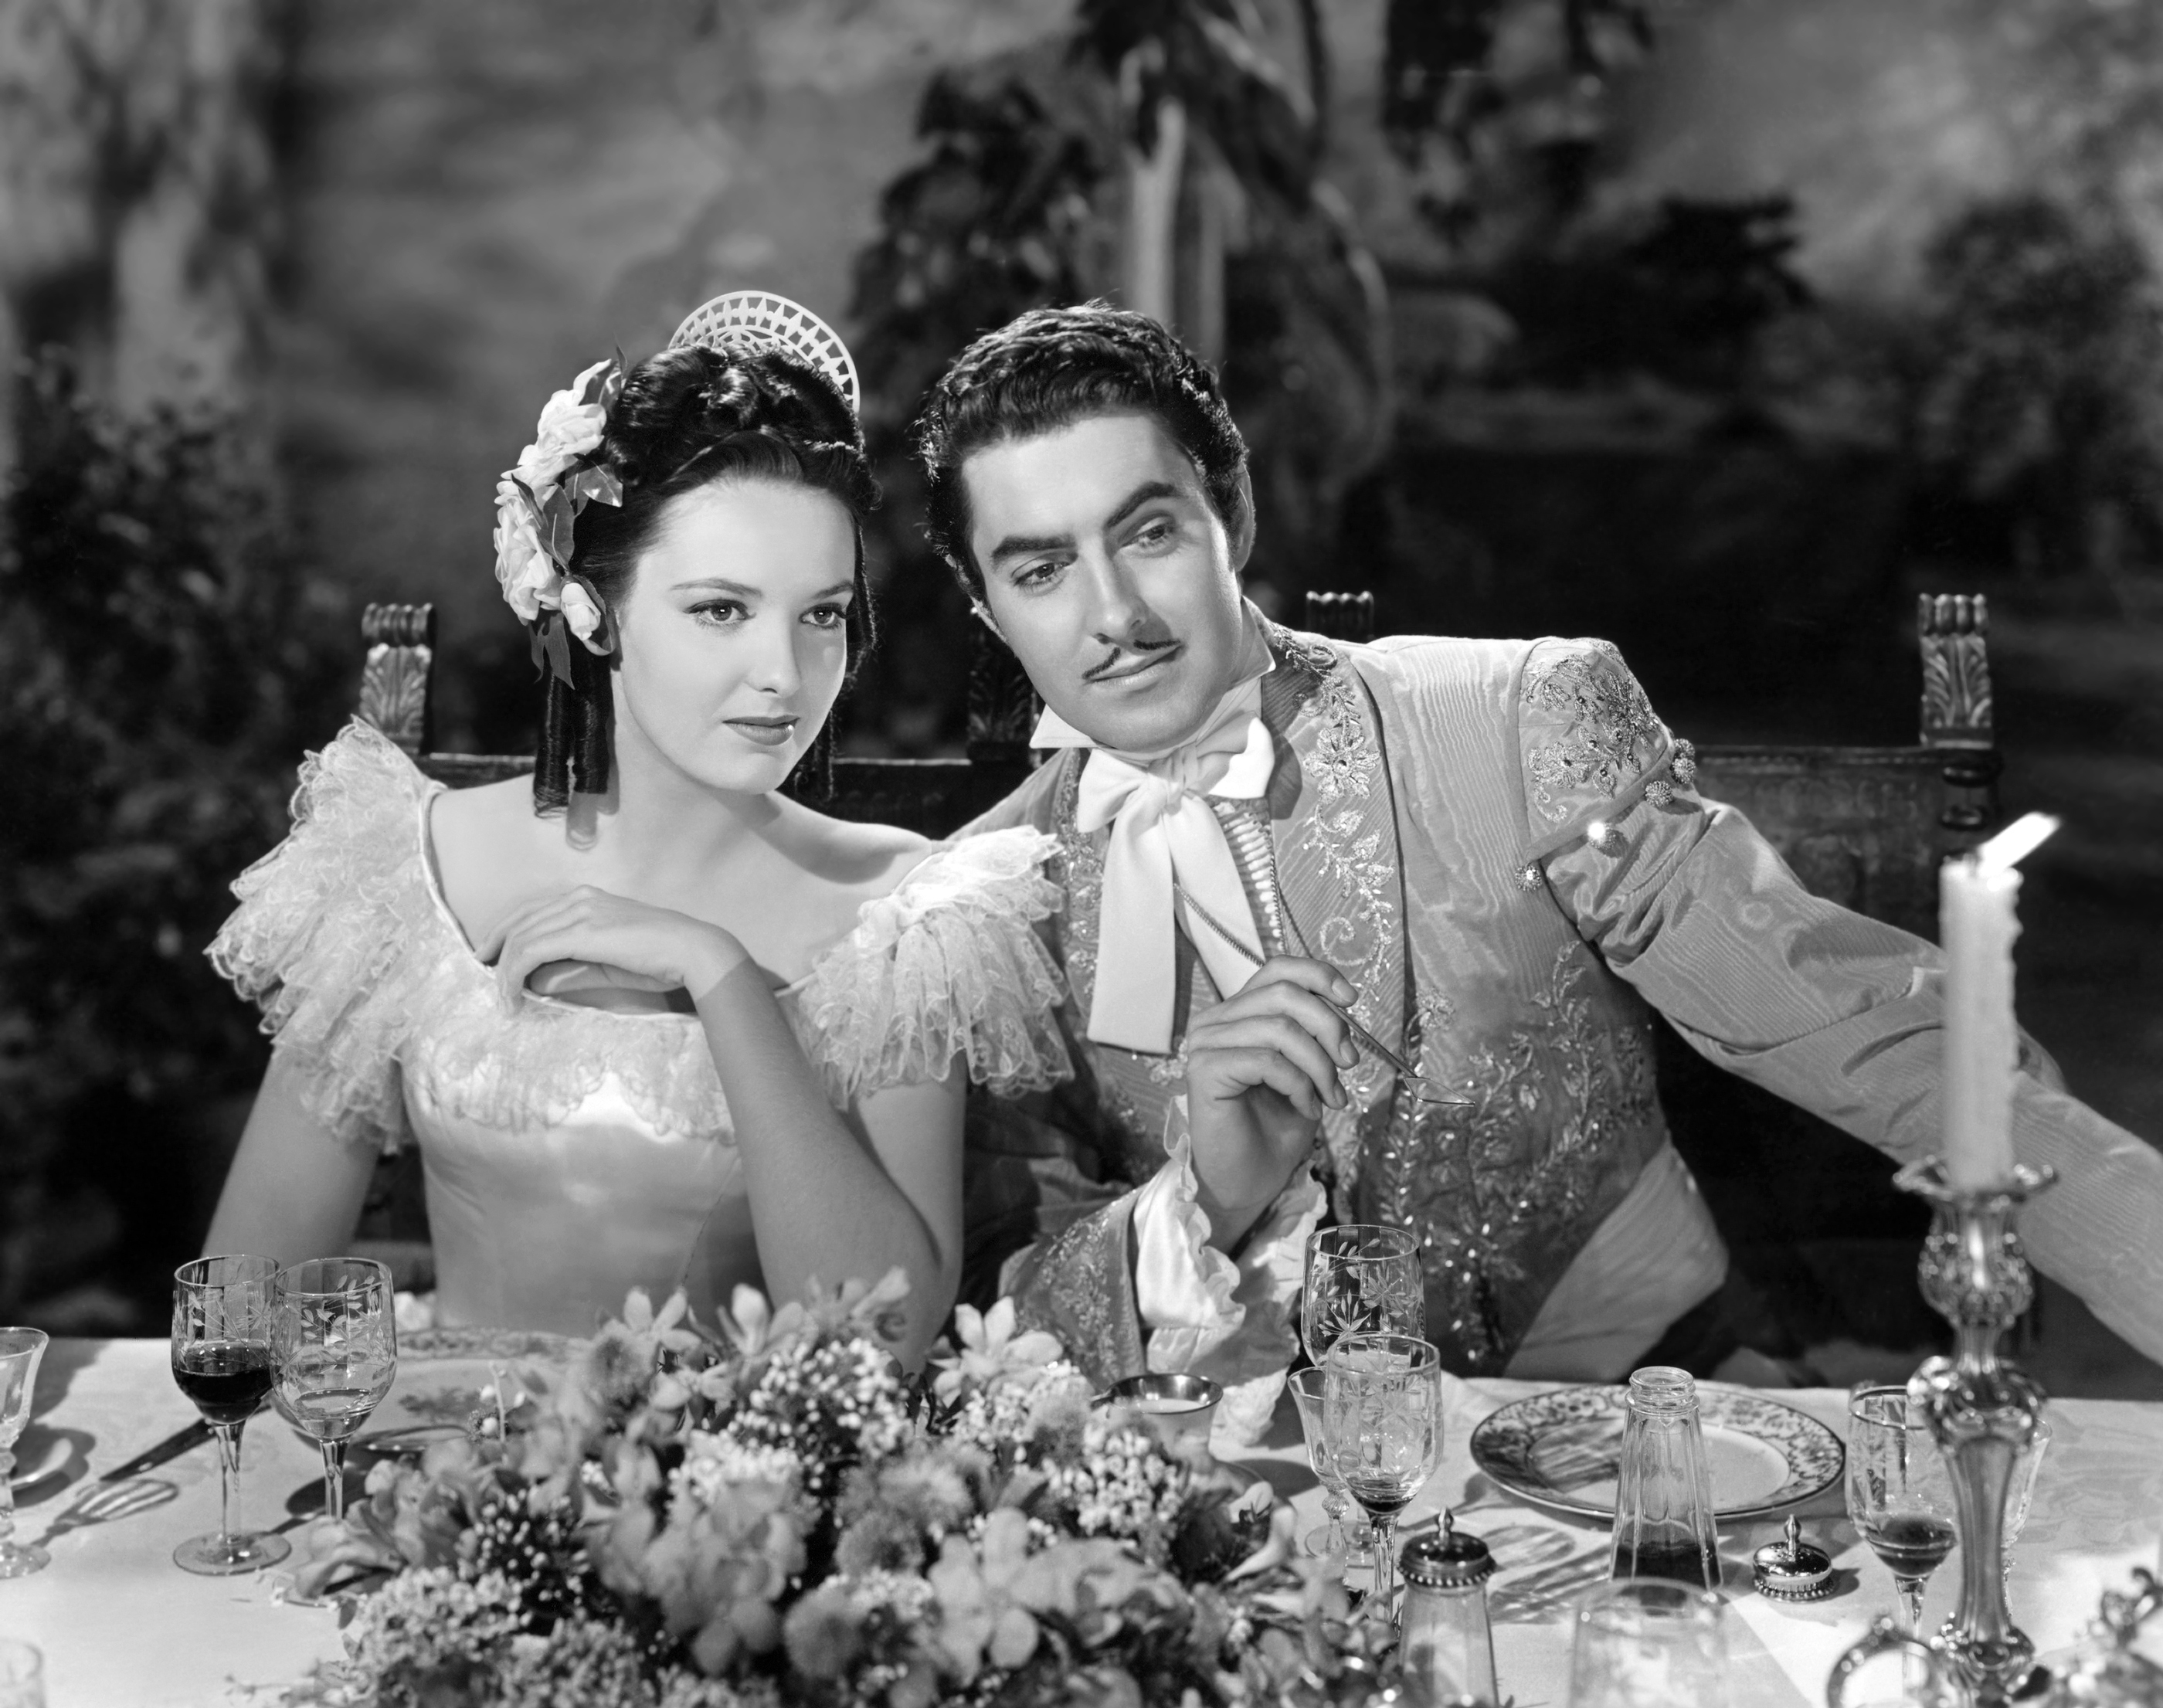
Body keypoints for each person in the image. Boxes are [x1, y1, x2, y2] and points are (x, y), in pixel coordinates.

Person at [922, 302, 2163, 1439]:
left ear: (1231, 514)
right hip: (1255, 1487)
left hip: (1659, 1426)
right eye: (1040, 570)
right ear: (984, 607)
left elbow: (1867, 1032)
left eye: (1148, 533)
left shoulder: (1516, 721)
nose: (1113, 615)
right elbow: (991, 1313)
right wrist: (1207, 1195)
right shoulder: (980, 914)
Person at [202, 297, 1070, 1366]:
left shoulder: (903, 917)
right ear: (591, 610)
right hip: (446, 1453)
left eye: (823, 614)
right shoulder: (406, 869)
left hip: (751, 1468)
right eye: (721, 610)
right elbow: (242, 1304)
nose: (784, 673)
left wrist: (720, 975)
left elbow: (881, 1339)